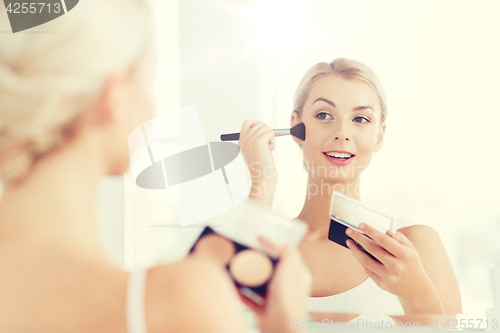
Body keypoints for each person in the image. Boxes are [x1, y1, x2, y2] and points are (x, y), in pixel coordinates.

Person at [0, 1, 312, 332]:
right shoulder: (176, 300)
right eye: (148, 80)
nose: (151, 110)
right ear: (114, 94)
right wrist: (287, 324)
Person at [238, 58, 462, 322]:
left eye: (360, 118)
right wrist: (263, 181)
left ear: (379, 135)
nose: (342, 133)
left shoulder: (413, 249)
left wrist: (416, 292)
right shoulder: (265, 244)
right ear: (296, 128)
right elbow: (222, 318)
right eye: (324, 115)